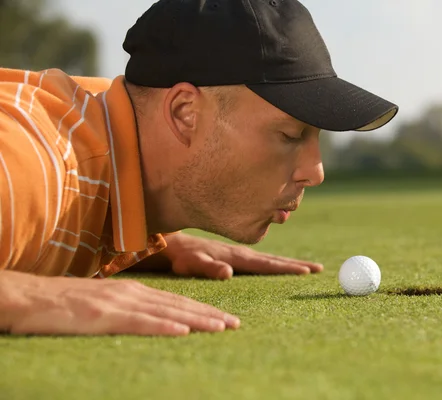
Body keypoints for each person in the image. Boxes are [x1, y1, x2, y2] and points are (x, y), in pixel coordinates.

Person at [0, 0, 398, 336]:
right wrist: (29, 296)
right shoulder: (36, 168)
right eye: (290, 135)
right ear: (185, 113)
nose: (315, 171)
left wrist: (144, 238)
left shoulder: (100, 121)